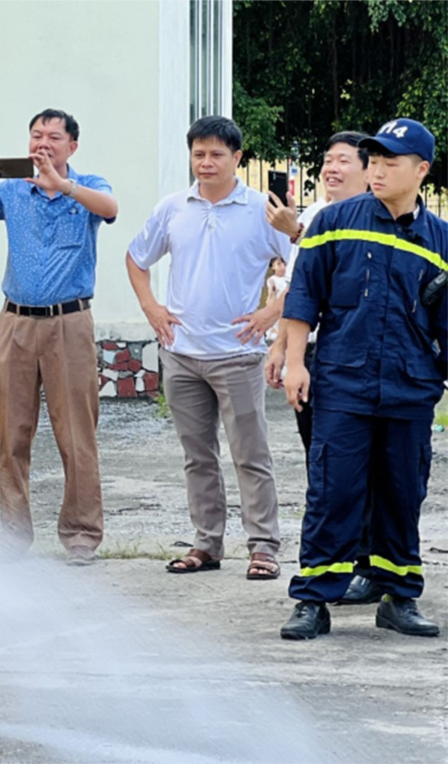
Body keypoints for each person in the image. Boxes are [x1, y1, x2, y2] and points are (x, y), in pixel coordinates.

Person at [279, 119, 448, 640]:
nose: (376, 170)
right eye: (372, 160)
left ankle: (397, 595)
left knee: (403, 491)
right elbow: (303, 295)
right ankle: (313, 598)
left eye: (390, 162)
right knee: (334, 490)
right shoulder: (334, 222)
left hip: (410, 385)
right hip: (342, 383)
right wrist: (294, 363)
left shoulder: (440, 239)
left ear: (420, 171)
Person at [0, 108, 116, 565]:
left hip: (69, 323)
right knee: (13, 433)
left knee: (77, 434)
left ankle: (81, 534)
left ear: (72, 146)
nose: (43, 142)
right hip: (16, 322)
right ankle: (13, 534)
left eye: (54, 136)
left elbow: (111, 210)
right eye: (36, 134)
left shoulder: (90, 186)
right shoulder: (12, 191)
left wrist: (63, 186)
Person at [126, 116, 288, 580]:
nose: (206, 162)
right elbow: (136, 260)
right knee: (197, 456)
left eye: (217, 154)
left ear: (237, 158)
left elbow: (307, 263)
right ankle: (206, 544)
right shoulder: (174, 208)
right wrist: (152, 309)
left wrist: (269, 314)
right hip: (182, 352)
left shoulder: (262, 210)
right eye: (199, 154)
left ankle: (263, 547)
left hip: (237, 355)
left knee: (250, 456)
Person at [262, 132, 377, 605]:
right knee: (324, 466)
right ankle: (339, 563)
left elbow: (343, 277)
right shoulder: (313, 215)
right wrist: (283, 351)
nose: (331, 169)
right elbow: (299, 291)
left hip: (356, 358)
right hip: (312, 356)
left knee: (365, 467)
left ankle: (371, 565)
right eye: (327, 160)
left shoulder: (379, 218)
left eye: (343, 161)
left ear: (369, 171)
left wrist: (294, 233)